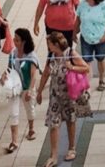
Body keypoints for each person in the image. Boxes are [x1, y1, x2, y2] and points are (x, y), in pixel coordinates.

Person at [36, 29, 92, 167]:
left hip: (69, 96)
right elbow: (45, 74)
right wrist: (39, 91)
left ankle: (71, 148)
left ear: (56, 44)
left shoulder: (70, 54)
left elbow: (85, 68)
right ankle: (53, 155)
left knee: (70, 121)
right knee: (53, 124)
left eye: (49, 43)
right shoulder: (51, 56)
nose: (48, 46)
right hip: (55, 97)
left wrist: (71, 67)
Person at [6, 27, 40, 153]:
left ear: (24, 42)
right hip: (15, 87)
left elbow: (33, 76)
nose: (14, 41)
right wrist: (5, 76)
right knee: (13, 113)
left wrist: (30, 91)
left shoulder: (31, 56)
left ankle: (31, 129)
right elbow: (9, 70)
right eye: (14, 39)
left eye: (17, 40)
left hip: (26, 87)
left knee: (29, 108)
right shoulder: (13, 54)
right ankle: (14, 141)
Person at [77, 0, 105, 91]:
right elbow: (78, 19)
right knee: (86, 60)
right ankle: (87, 83)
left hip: (100, 39)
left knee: (100, 58)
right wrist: (75, 32)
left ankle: (102, 79)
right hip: (86, 38)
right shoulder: (82, 5)